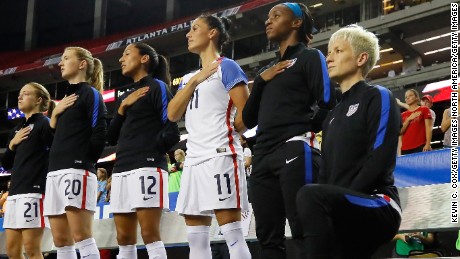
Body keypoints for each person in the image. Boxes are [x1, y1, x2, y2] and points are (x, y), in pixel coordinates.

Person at [296, 24, 402, 258]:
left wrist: (335, 204)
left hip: (378, 202)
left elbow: (380, 160)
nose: (328, 57)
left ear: (361, 58)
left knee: (310, 195)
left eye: (338, 51)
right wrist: (333, 203)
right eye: (328, 51)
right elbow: (325, 173)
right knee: (310, 196)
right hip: (341, 206)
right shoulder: (332, 115)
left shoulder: (377, 96)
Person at [241, 3, 336, 258]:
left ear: (296, 23)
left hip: (294, 150)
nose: (267, 21)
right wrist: (260, 81)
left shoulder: (309, 56)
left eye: (276, 15)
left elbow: (328, 101)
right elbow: (248, 119)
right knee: (267, 238)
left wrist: (305, 129)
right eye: (268, 17)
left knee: (304, 229)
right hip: (261, 159)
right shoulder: (265, 72)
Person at [168, 14, 251, 259]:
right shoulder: (188, 78)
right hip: (193, 161)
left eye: (195, 28)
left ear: (212, 32)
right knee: (195, 240)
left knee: (233, 235)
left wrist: (227, 132)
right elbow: (172, 114)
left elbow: (247, 114)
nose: (188, 33)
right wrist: (195, 80)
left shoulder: (227, 66)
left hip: (220, 156)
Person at [106, 42, 180, 259]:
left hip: (147, 167)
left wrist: (150, 150)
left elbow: (172, 131)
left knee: (149, 234)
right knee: (123, 238)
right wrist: (121, 108)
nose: (121, 59)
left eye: (127, 54)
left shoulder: (157, 87)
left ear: (144, 58)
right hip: (121, 169)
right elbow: (110, 137)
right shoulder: (124, 97)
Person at [44, 46, 107, 259]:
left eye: (66, 58)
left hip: (76, 170)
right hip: (54, 172)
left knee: (81, 235)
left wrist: (83, 161)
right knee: (61, 241)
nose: (60, 63)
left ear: (82, 64)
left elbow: (99, 133)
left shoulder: (90, 94)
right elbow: (54, 141)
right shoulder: (63, 102)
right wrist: (54, 118)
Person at [1, 82, 52, 259]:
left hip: (34, 192)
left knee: (31, 249)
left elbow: (54, 154)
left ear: (39, 99)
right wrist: (12, 145)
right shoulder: (16, 129)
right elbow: (6, 164)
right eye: (19, 94)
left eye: (26, 93)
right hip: (15, 193)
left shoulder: (45, 124)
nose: (20, 96)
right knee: (12, 252)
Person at [400, 89, 433, 155]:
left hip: (421, 146)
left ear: (417, 97)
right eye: (406, 97)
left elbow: (429, 128)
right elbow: (400, 131)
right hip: (405, 148)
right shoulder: (402, 115)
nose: (407, 98)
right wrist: (409, 119)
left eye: (410, 95)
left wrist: (428, 144)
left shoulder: (424, 109)